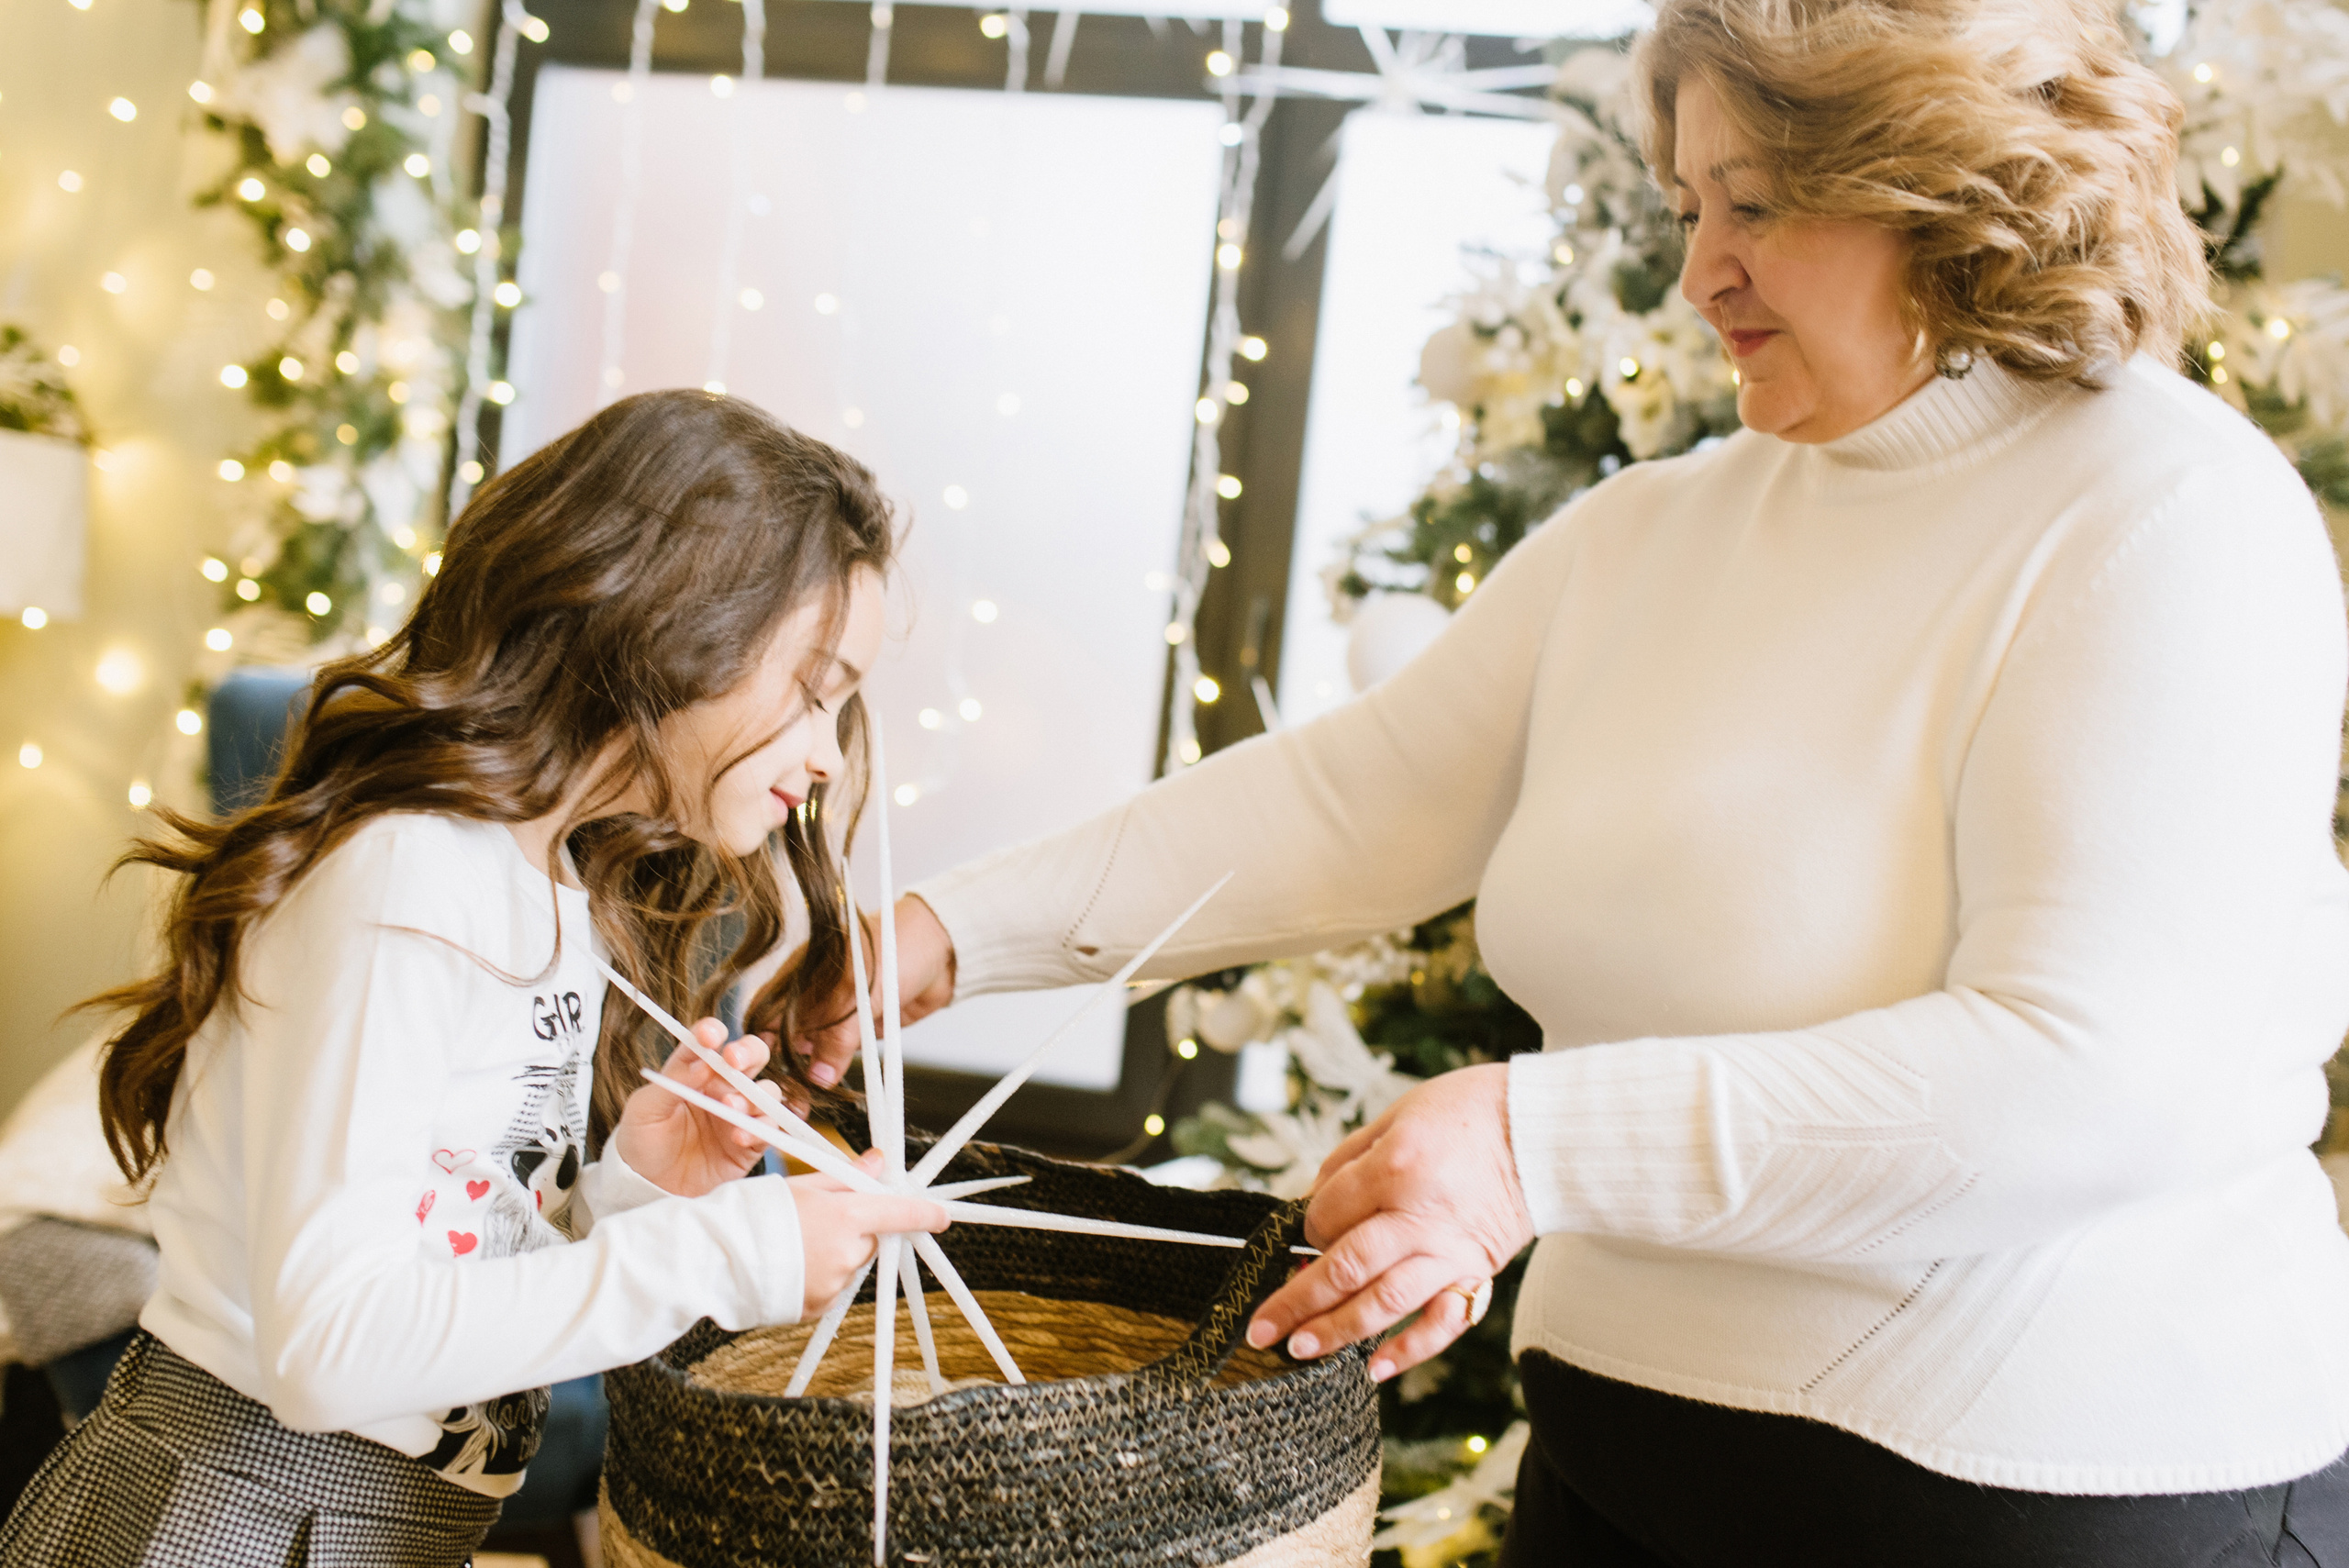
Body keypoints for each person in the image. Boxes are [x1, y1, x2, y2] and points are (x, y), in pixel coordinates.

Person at [818, 3, 2349, 1562]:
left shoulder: (2170, 517)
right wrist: (937, 937)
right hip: (1620, 1451)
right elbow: (1354, 802)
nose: (1701, 271)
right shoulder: (1652, 532)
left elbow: (2077, 1073)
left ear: (1939, 183)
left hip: (2057, 1491)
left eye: (1755, 202)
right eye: (1691, 207)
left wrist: (1524, 1139)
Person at [0, 390, 946, 1566]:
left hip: (382, 1522)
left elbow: (450, 1266)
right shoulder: (407, 876)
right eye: (815, 691)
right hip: (239, 1515)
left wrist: (630, 1192)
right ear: (669, 617)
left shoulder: (550, 887)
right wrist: (720, 1253)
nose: (827, 750)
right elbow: (334, 1342)